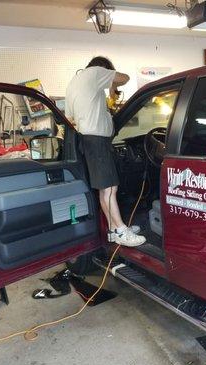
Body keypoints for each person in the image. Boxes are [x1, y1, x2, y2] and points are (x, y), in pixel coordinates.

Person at [65, 56, 146, 247]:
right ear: (104, 69)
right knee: (110, 189)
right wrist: (111, 80)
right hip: (97, 141)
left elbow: (70, 117)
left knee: (105, 189)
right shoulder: (95, 73)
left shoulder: (74, 82)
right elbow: (124, 78)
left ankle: (112, 229)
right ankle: (121, 230)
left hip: (87, 141)